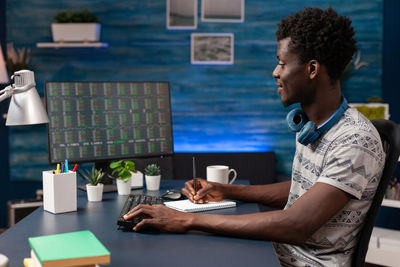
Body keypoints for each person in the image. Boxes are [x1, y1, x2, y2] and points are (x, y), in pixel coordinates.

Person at [124, 7, 385, 266]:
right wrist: (225, 190)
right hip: (278, 254)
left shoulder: (354, 140)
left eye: (282, 63)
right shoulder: (311, 128)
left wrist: (187, 219)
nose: (275, 72)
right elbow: (303, 189)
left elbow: (298, 224)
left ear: (312, 69)